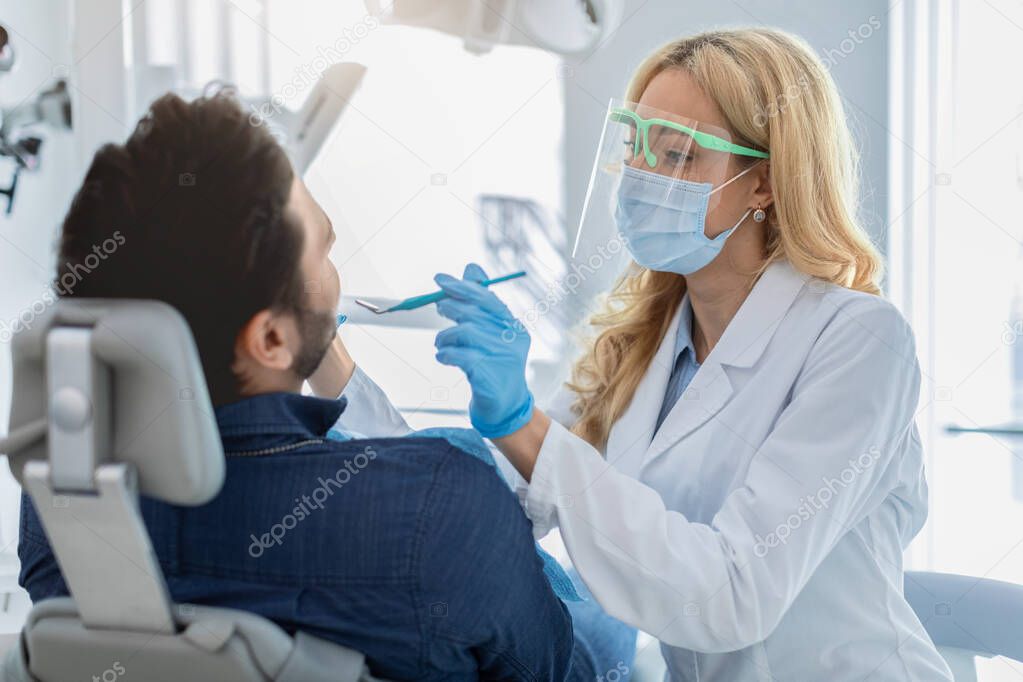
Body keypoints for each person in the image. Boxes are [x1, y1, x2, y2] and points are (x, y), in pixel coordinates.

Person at [345, 28, 954, 680]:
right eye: (635, 147)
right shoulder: (642, 340)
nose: (643, 176)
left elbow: (732, 596)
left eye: (678, 156)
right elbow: (512, 497)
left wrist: (524, 423)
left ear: (763, 185)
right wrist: (327, 358)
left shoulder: (860, 341)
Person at [16, 89, 635, 681]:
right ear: (269, 340)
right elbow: (568, 668)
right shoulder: (443, 504)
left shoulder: (62, 504)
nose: (335, 273)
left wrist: (304, 335)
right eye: (323, 249)